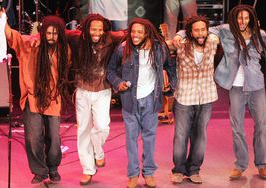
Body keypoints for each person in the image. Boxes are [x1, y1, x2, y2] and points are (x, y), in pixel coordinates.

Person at [174, 4, 266, 180]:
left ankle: (261, 164)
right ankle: (240, 165)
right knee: (237, 128)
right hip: (235, 87)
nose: (242, 21)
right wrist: (179, 34)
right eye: (239, 18)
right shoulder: (225, 30)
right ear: (233, 18)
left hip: (256, 86)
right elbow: (199, 29)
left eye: (246, 18)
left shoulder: (259, 34)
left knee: (261, 126)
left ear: (251, 19)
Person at [1, 10, 71, 184]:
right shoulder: (29, 44)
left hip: (53, 98)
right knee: (33, 138)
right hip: (32, 98)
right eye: (48, 32)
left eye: (55, 33)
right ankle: (40, 170)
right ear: (43, 31)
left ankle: (53, 168)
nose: (51, 36)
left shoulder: (64, 50)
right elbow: (12, 35)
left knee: (54, 138)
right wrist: (2, 18)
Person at [107, 18, 176, 188]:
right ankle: (132, 174)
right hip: (130, 100)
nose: (135, 35)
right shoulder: (123, 49)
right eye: (133, 32)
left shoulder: (159, 48)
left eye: (139, 32)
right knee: (131, 139)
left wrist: (170, 86)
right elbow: (110, 71)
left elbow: (171, 67)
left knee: (149, 138)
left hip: (151, 100)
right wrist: (118, 83)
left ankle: (149, 172)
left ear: (147, 33)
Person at [66, 13, 124, 185]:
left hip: (103, 89)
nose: (96, 32)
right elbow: (60, 32)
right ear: (87, 29)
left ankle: (98, 152)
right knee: (83, 130)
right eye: (93, 29)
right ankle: (88, 169)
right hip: (82, 89)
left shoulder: (110, 39)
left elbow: (130, 32)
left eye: (100, 29)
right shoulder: (78, 39)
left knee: (102, 126)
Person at [168, 16, 219, 184]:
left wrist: (181, 33)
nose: (200, 34)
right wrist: (179, 35)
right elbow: (168, 43)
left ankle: (194, 169)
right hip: (185, 97)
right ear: (190, 32)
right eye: (196, 30)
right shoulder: (182, 45)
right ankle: (179, 170)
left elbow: (219, 30)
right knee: (181, 136)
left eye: (203, 29)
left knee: (200, 136)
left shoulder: (212, 41)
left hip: (206, 97)